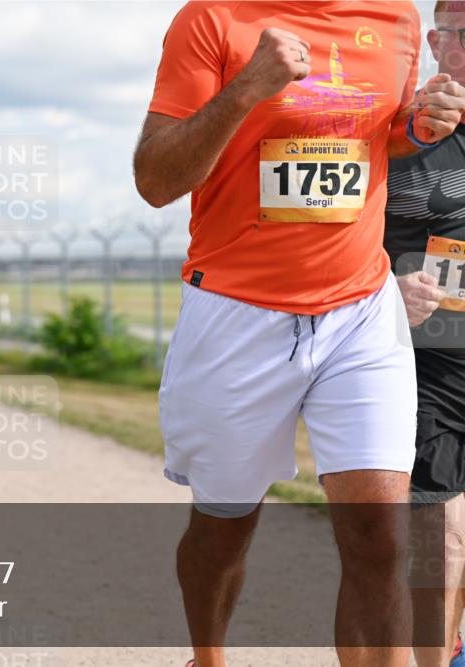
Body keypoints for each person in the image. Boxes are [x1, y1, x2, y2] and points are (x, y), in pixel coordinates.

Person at [133, 2, 465, 666]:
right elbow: (156, 180)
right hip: (236, 309)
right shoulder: (213, 17)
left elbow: (382, 135)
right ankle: (208, 656)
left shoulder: (393, 16)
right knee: (225, 529)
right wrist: (246, 90)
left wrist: (420, 126)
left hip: (360, 309)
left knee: (380, 536)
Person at [384, 3, 465, 666]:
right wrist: (388, 284)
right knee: (442, 537)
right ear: (437, 41)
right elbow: (328, 234)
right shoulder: (400, 128)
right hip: (429, 358)